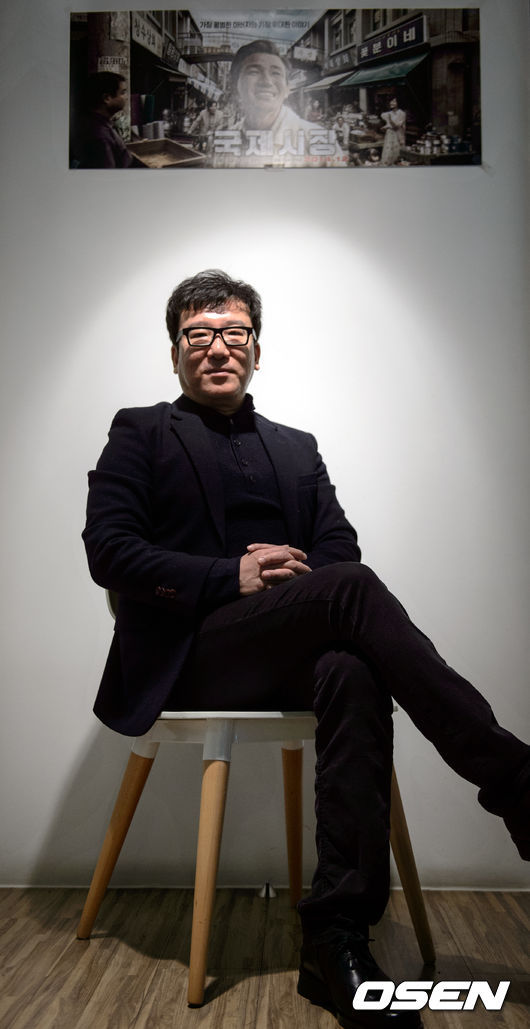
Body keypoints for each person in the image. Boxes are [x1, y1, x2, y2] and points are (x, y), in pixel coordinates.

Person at [83, 269, 530, 1029]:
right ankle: (515, 780)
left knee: (352, 669)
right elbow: (110, 551)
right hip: (192, 655)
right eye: (198, 334)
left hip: (287, 650)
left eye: (234, 332)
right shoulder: (141, 431)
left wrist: (295, 583)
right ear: (175, 351)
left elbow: (337, 548)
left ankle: (335, 939)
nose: (217, 347)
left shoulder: (297, 448)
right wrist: (231, 574)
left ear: (257, 349)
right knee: (348, 590)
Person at [211, 40, 344, 168]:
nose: (267, 82)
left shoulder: (320, 141)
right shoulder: (225, 143)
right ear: (235, 85)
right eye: (254, 72)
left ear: (287, 89)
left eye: (276, 73)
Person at [72, 72, 144, 169]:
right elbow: (108, 173)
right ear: (107, 98)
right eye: (122, 93)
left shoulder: (99, 122)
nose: (127, 97)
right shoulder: (99, 136)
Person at [380, 97, 406, 167]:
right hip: (389, 134)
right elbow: (388, 124)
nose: (391, 103)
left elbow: (396, 126)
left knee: (396, 152)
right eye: (391, 101)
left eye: (394, 101)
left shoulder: (401, 113)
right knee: (387, 152)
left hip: (397, 135)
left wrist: (390, 121)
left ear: (398, 103)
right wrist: (385, 127)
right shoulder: (388, 113)